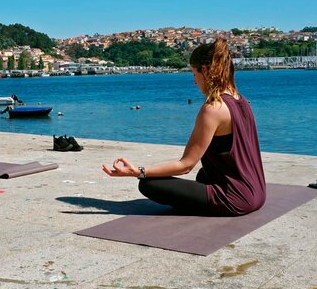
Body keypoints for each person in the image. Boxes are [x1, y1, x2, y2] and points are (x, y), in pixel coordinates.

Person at [102, 39, 266, 216]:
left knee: (148, 184)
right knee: (204, 175)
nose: (194, 81)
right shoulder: (241, 100)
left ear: (205, 71)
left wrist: (138, 171)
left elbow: (186, 165)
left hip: (235, 199)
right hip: (257, 192)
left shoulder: (212, 109)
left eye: (194, 74)